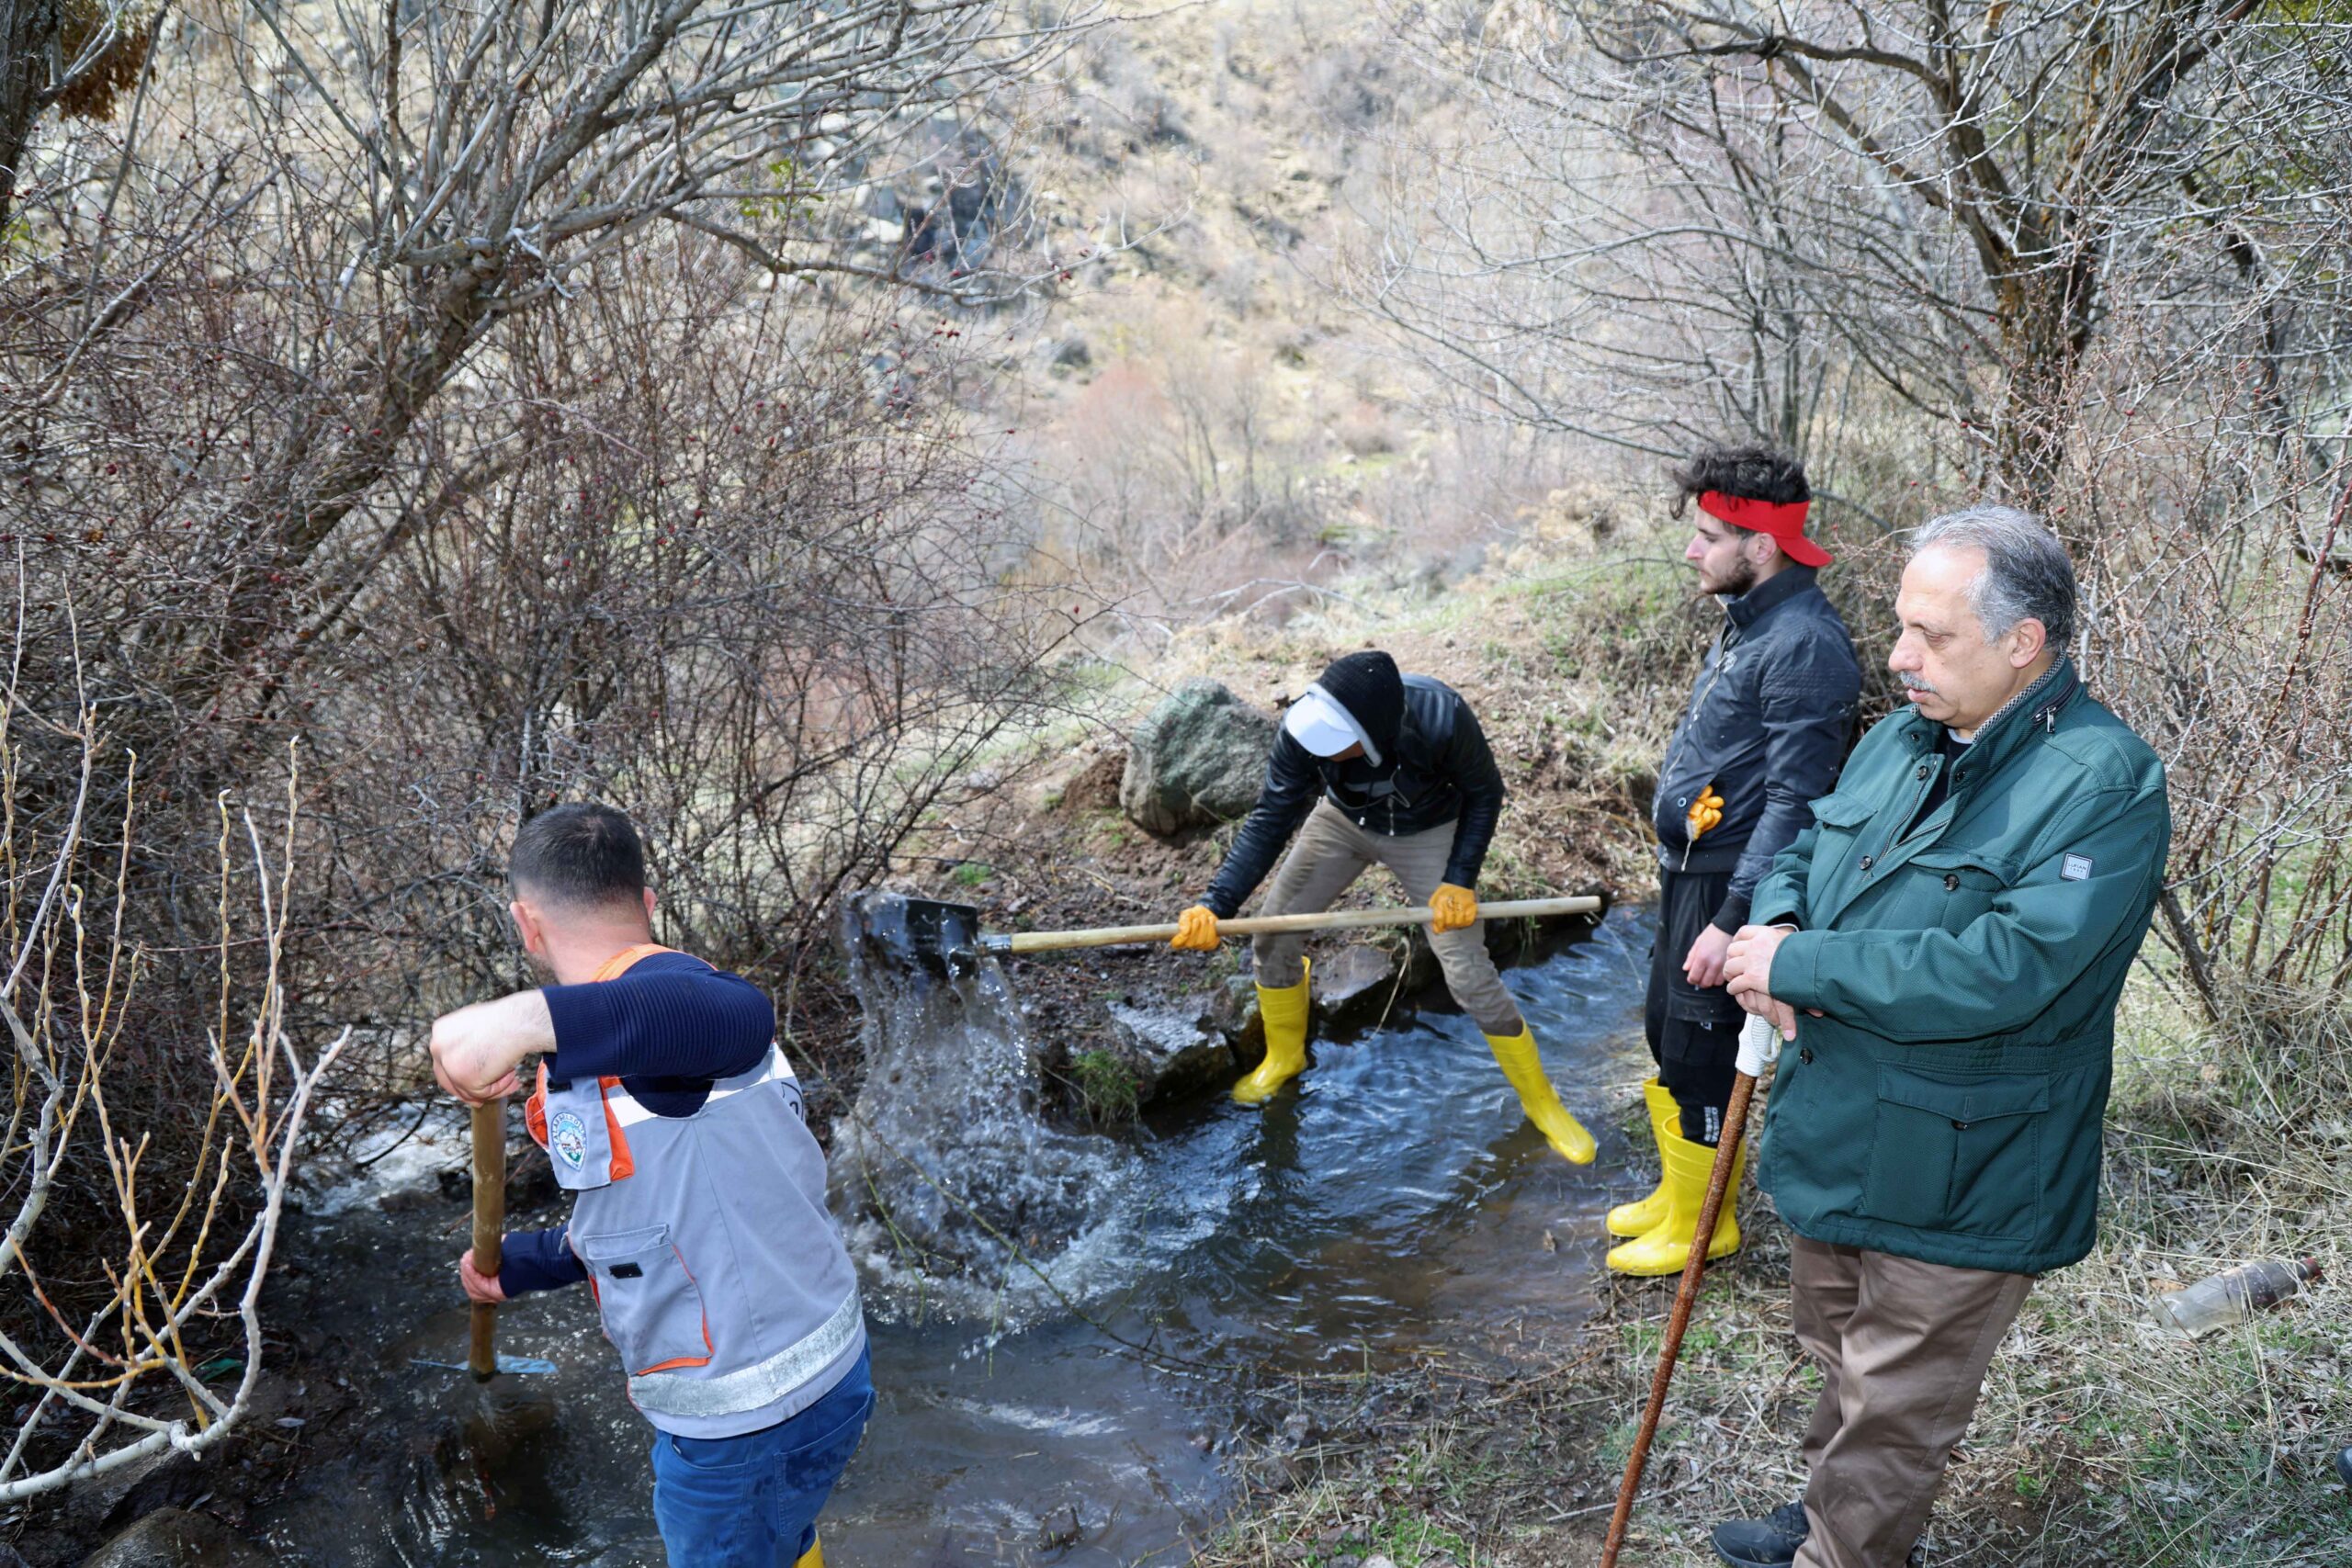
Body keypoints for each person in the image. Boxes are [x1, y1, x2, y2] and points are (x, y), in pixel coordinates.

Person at [1711, 506, 2170, 1568]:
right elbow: (1810, 848)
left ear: (2024, 642)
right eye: (1900, 629)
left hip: (1967, 1154)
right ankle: (1830, 1518)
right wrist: (1776, 919)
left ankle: (1849, 1552)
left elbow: (2011, 967)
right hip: (1843, 1119)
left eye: (1932, 636)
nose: (1899, 657)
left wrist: (1800, 966)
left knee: (1897, 1402)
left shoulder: (2101, 782)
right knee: (1836, 1353)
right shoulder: (1898, 737)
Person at [431, 804, 868, 1568]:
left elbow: (739, 1013)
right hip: (820, 1379)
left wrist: (517, 1018)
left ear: (526, 925)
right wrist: (530, 1261)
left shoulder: (679, 1008)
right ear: (647, 901)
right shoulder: (624, 1043)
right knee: (782, 1537)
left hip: (747, 1420)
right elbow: (661, 1208)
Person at [1169, 649, 1596, 1164]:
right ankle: (1285, 1057)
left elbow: (1485, 793)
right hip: (1342, 823)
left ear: (1374, 732)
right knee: (1273, 935)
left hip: (1429, 830)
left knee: (1467, 974)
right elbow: (1270, 817)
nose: (1322, 751)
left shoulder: (1442, 715)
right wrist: (1215, 903)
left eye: (1338, 743)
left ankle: (1542, 1103)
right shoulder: (1303, 729)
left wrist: (1459, 881)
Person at [1611, 446, 1860, 1276]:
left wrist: (1731, 920)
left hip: (1730, 880)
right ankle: (1681, 1196)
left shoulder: (1804, 643)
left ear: (1761, 544)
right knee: (1666, 1031)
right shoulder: (1750, 621)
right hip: (1692, 868)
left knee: (1704, 1043)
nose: (1693, 549)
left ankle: (1706, 1223)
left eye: (1710, 535)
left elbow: (1797, 803)